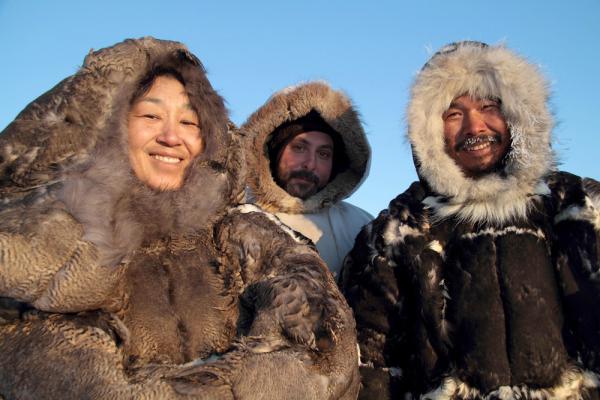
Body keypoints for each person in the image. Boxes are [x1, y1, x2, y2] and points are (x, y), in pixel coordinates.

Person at [0, 37, 359, 399]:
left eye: (190, 122)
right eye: (151, 116)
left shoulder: (245, 231)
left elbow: (325, 350)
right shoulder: (53, 235)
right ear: (112, 124)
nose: (172, 137)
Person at [340, 41, 600, 399]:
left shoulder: (580, 206)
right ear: (430, 130)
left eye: (488, 106)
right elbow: (370, 366)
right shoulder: (397, 232)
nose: (474, 126)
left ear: (516, 115)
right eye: (454, 114)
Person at [241, 82, 372, 277]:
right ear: (274, 152)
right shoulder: (234, 216)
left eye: (324, 154)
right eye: (299, 148)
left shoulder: (362, 227)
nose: (310, 164)